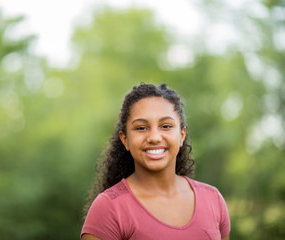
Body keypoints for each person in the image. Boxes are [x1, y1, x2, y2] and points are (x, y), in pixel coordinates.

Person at [81, 83, 230, 240]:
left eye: (165, 126)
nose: (154, 137)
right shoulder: (109, 208)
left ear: (182, 135)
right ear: (125, 140)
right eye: (141, 128)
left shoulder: (213, 199)